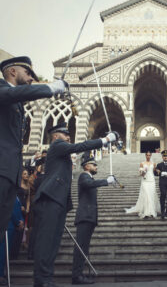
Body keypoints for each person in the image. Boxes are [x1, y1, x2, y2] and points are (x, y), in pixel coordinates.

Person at [33, 122, 119, 287]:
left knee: (53, 243)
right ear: (56, 136)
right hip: (50, 197)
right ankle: (41, 280)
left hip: (58, 199)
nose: (68, 137)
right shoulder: (57, 145)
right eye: (66, 135)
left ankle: (46, 279)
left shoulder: (60, 150)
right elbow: (80, 146)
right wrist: (105, 139)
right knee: (46, 242)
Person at [0, 56, 67, 243]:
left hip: (10, 175)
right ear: (12, 71)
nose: (31, 79)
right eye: (28, 73)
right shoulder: (3, 90)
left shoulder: (18, 101)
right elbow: (12, 94)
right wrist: (50, 88)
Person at [72, 157, 115, 285]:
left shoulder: (89, 178)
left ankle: (79, 273)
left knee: (84, 247)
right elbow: (89, 184)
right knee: (80, 247)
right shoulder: (84, 176)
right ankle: (76, 275)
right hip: (85, 216)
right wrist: (106, 181)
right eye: (93, 165)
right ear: (86, 166)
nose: (96, 167)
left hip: (89, 217)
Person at [125, 151, 160, 218]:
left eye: (149, 155)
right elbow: (141, 174)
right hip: (145, 181)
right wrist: (144, 172)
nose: (148, 156)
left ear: (151, 156)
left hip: (152, 181)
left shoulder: (154, 163)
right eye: (147, 155)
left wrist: (157, 171)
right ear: (145, 155)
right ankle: (146, 212)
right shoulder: (142, 163)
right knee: (146, 195)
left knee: (151, 195)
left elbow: (155, 172)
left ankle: (152, 211)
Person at [0, 197, 23, 286]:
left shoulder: (16, 197)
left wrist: (21, 221)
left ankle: (2, 274)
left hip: (12, 227)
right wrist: (18, 222)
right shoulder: (8, 194)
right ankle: (0, 275)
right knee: (2, 251)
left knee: (5, 252)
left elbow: (18, 209)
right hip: (8, 226)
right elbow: (10, 210)